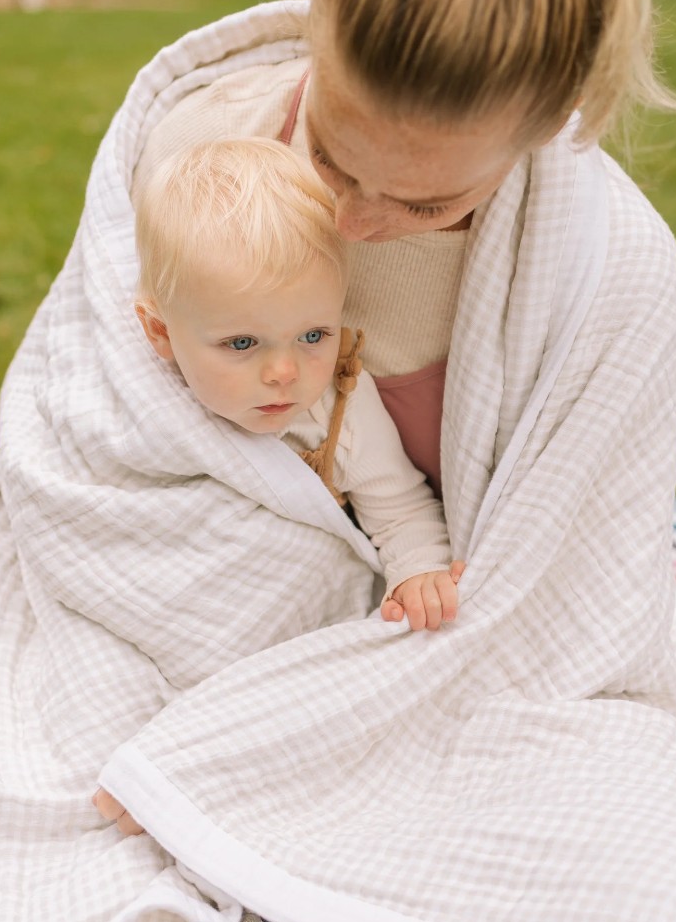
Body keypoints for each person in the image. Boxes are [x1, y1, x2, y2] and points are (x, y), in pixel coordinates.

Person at [0, 0, 676, 922]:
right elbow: (102, 447)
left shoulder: (612, 274)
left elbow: (561, 620)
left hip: (439, 640)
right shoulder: (203, 151)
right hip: (210, 618)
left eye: (425, 199)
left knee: (656, 869)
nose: (358, 220)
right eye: (333, 157)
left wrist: (231, 751)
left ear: (561, 119)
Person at [133, 136, 464, 634]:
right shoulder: (140, 389)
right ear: (161, 332)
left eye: (313, 335)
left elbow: (399, 510)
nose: (285, 372)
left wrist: (419, 570)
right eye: (243, 343)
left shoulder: (340, 410)